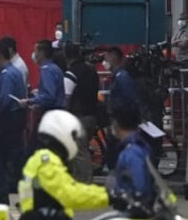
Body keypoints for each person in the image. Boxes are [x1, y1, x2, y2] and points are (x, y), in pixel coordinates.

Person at [0, 41, 28, 201]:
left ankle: (7, 184)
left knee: (5, 154)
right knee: (15, 151)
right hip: (18, 116)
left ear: (0, 57)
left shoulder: (6, 74)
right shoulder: (15, 71)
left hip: (9, 118)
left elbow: (4, 100)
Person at [107, 105, 154, 212]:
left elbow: (139, 185)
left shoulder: (131, 152)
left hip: (132, 208)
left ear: (116, 124)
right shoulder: (140, 144)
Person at [63, 43, 99, 183]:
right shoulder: (91, 69)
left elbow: (66, 98)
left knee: (79, 153)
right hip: (92, 116)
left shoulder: (71, 73)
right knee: (82, 150)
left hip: (78, 118)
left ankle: (85, 183)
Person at [20, 40, 65, 113]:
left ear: (41, 53)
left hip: (51, 111)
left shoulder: (47, 70)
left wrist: (29, 101)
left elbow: (49, 96)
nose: (34, 54)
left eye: (35, 51)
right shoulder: (54, 67)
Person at [105, 46, 140, 115]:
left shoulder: (122, 77)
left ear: (113, 58)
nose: (105, 62)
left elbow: (131, 98)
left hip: (123, 116)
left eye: (106, 59)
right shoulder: (116, 76)